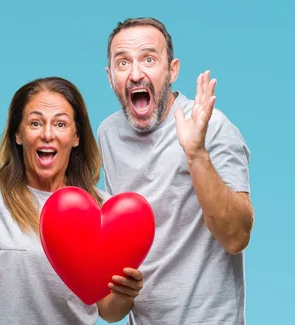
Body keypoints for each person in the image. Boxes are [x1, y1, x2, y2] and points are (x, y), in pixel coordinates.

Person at [0, 76, 145, 324]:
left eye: (60, 124)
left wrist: (125, 295)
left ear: (76, 137)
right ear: (18, 134)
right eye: (35, 123)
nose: (47, 134)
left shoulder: (103, 212)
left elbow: (107, 310)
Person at [97, 17, 254, 325]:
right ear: (110, 77)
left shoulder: (211, 125)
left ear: (172, 70)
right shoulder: (107, 134)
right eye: (123, 62)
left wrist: (195, 152)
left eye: (149, 59)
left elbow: (237, 236)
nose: (135, 73)